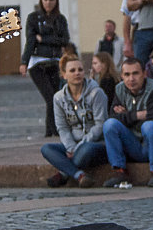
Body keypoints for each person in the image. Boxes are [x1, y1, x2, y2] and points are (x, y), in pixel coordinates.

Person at [102, 57, 153, 188]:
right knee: (110, 125)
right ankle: (120, 172)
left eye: (135, 73)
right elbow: (113, 117)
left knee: (149, 126)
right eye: (127, 74)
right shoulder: (119, 89)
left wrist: (126, 116)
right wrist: (138, 115)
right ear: (121, 77)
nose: (131, 79)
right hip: (136, 146)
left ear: (144, 73)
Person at [41, 53, 108, 188]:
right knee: (46, 148)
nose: (77, 73)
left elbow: (100, 125)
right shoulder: (58, 98)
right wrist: (71, 147)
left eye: (80, 70)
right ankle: (79, 175)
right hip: (72, 145)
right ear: (64, 75)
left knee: (85, 151)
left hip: (94, 144)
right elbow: (62, 127)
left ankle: (64, 173)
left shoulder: (96, 93)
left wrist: (78, 147)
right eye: (72, 70)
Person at [19, 0, 70, 137]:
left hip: (55, 63)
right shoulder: (34, 18)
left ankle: (52, 131)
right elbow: (31, 41)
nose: (48, 3)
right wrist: (24, 62)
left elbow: (65, 40)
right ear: (41, 0)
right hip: (37, 64)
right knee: (50, 97)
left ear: (56, 1)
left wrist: (44, 39)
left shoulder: (60, 19)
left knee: (55, 98)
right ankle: (52, 132)